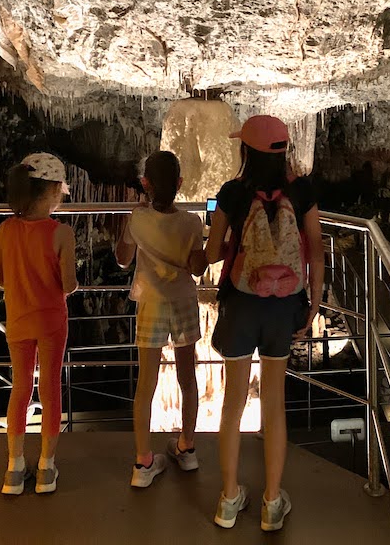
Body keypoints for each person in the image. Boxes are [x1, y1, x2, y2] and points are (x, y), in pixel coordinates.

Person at [206, 115, 324, 531]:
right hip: (285, 305)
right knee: (274, 404)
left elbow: (210, 253)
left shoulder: (233, 192)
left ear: (246, 151)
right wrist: (314, 302)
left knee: (232, 402)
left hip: (241, 304)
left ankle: (229, 499)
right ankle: (273, 502)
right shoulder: (302, 190)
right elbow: (315, 250)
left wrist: (227, 244)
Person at [115, 150, 208, 488]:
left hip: (151, 303)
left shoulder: (136, 219)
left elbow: (123, 259)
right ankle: (188, 447)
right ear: (181, 184)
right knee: (188, 378)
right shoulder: (192, 223)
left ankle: (143, 462)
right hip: (183, 301)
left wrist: (132, 225)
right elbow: (198, 268)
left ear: (145, 184)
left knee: (146, 384)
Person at [0, 152, 78, 495]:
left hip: (18, 320)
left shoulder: (6, 229)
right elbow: (68, 284)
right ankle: (46, 467)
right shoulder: (62, 233)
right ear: (55, 191)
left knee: (20, 387)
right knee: (51, 388)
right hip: (51, 322)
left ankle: (14, 467)